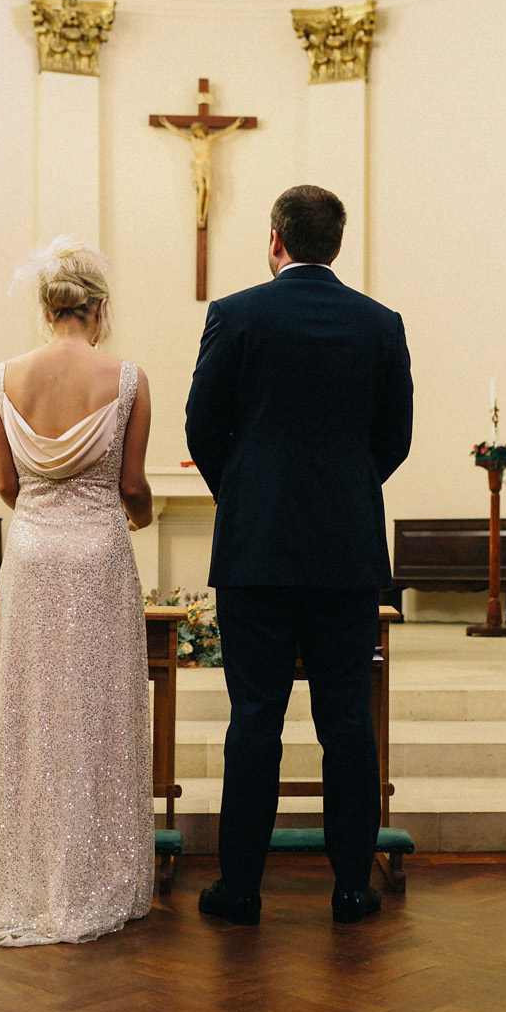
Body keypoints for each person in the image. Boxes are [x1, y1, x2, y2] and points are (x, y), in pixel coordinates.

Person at [0, 238, 155, 947]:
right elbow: (132, 487)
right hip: (99, 556)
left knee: (30, 712)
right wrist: (138, 517)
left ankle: (24, 876)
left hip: (31, 554)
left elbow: (7, 487)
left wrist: (48, 514)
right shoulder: (129, 378)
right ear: (100, 308)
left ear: (47, 307)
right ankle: (92, 875)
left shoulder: (3, 379)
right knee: (98, 709)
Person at [185, 186, 413, 925]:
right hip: (347, 554)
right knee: (347, 720)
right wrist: (345, 492)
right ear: (335, 244)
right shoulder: (381, 324)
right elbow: (394, 439)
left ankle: (241, 889)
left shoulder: (236, 314)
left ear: (275, 240)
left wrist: (247, 495)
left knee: (254, 718)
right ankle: (351, 888)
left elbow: (201, 426)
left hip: (257, 554)